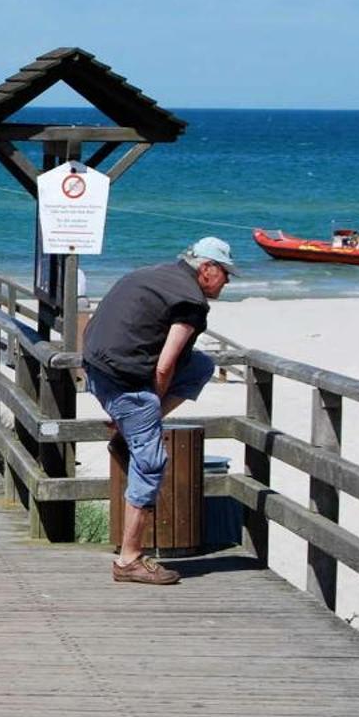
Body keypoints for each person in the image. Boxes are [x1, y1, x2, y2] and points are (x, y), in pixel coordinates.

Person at [81, 237, 233, 586]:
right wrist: (150, 401)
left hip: (95, 367)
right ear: (207, 268)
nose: (227, 281)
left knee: (199, 366)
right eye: (225, 273)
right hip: (124, 379)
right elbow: (164, 367)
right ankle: (129, 559)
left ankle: (132, 427)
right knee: (151, 462)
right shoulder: (191, 302)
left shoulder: (156, 273)